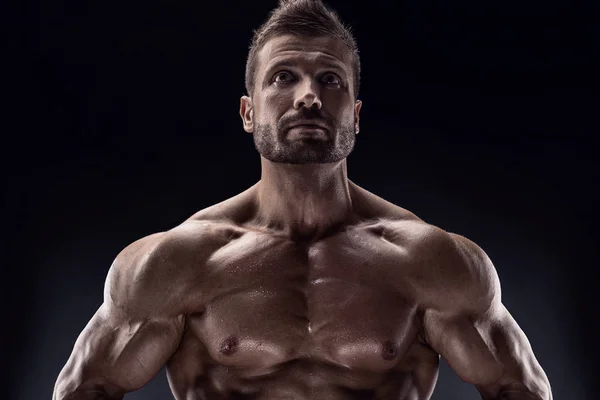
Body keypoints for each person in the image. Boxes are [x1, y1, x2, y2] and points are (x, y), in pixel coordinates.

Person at [53, 1, 552, 399]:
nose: (308, 95)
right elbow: (87, 388)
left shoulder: (428, 260)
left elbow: (518, 387)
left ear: (355, 115)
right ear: (249, 112)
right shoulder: (179, 260)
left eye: (329, 79)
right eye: (283, 76)